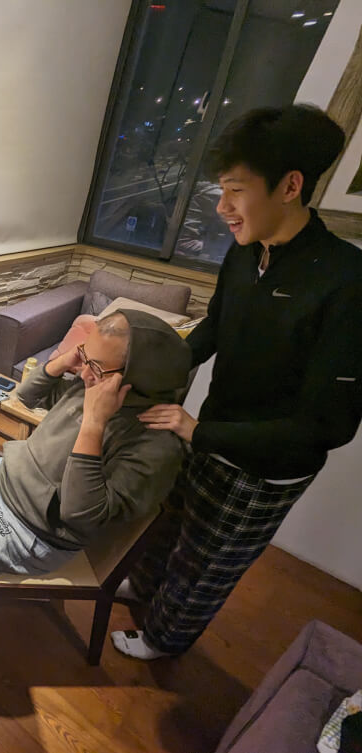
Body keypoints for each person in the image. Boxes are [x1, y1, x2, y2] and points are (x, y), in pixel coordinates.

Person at [111, 104, 362, 661]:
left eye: (235, 191)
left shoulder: (345, 281)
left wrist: (199, 431)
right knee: (170, 524)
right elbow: (216, 327)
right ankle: (145, 590)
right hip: (210, 430)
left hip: (264, 467)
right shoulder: (246, 252)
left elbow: (328, 425)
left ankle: (162, 639)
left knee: (206, 562)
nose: (222, 208)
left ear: (290, 185)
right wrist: (146, 367)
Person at [0, 309, 192, 586]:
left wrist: (94, 422)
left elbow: (81, 515)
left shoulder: (155, 444)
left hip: (29, 527)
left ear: (137, 379)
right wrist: (63, 362)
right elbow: (26, 396)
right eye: (85, 356)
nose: (84, 374)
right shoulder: (94, 383)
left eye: (96, 365)